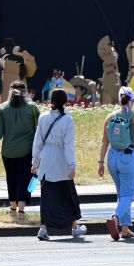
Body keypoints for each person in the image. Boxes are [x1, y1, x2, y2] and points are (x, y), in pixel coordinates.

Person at [32, 88, 87, 241]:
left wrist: (34, 162)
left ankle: (43, 228)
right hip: (61, 161)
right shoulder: (67, 119)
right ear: (65, 101)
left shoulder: (43, 118)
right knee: (68, 195)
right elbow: (68, 145)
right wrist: (72, 165)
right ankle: (74, 227)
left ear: (51, 101)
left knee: (47, 197)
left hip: (47, 161)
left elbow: (37, 142)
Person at [98, 86, 134, 240]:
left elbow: (104, 142)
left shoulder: (109, 117)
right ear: (132, 100)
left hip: (112, 157)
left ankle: (125, 229)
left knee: (122, 193)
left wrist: (100, 162)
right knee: (129, 194)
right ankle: (115, 218)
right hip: (128, 157)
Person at [0, 80, 40, 221]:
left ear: (10, 91)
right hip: (27, 152)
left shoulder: (3, 109)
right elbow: (39, 132)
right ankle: (22, 212)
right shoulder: (33, 108)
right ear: (25, 92)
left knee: (11, 179)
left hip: (8, 152)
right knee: (25, 180)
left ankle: (13, 209)